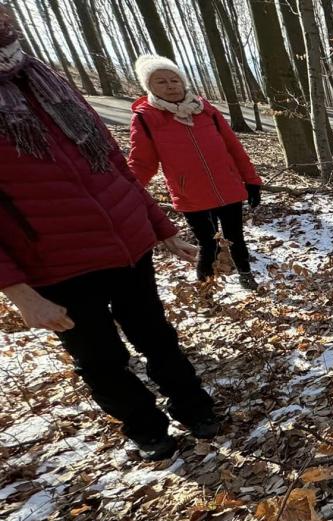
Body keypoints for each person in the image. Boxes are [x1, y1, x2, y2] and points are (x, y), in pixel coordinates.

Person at [0, 8, 221, 460]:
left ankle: (195, 406)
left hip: (127, 244)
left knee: (156, 335)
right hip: (54, 262)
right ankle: (146, 428)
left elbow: (114, 166)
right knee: (101, 358)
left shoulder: (50, 81)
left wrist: (161, 230)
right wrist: (18, 292)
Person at [127, 54, 263, 291]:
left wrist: (251, 180)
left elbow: (233, 147)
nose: (170, 85)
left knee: (235, 239)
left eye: (174, 80)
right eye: (161, 82)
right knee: (208, 245)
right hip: (191, 195)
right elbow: (142, 164)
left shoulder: (206, 110)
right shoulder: (145, 119)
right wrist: (125, 192)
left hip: (228, 188)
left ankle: (246, 275)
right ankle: (206, 288)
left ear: (183, 81)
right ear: (149, 86)